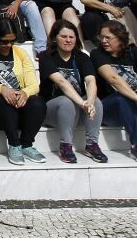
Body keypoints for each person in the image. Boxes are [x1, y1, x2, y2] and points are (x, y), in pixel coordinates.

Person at [0, 18, 46, 165]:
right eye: (5, 41)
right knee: (2, 101)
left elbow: (34, 84)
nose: (9, 45)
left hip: (19, 101)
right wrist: (2, 89)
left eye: (12, 41)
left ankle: (26, 144)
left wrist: (24, 93)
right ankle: (14, 144)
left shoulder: (20, 53)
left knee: (38, 103)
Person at [92, 20, 137, 165]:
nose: (104, 41)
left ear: (120, 38)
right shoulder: (97, 54)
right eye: (102, 37)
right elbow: (114, 79)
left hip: (135, 106)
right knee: (123, 96)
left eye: (108, 38)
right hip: (110, 107)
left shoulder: (134, 52)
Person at [39, 20, 105, 163]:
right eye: (64, 37)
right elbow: (62, 83)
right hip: (52, 109)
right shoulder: (46, 56)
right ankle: (65, 145)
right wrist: (83, 103)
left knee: (97, 101)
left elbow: (91, 81)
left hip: (78, 110)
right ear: (55, 38)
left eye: (72, 37)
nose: (68, 40)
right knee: (66, 101)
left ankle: (92, 144)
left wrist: (90, 102)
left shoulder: (82, 57)